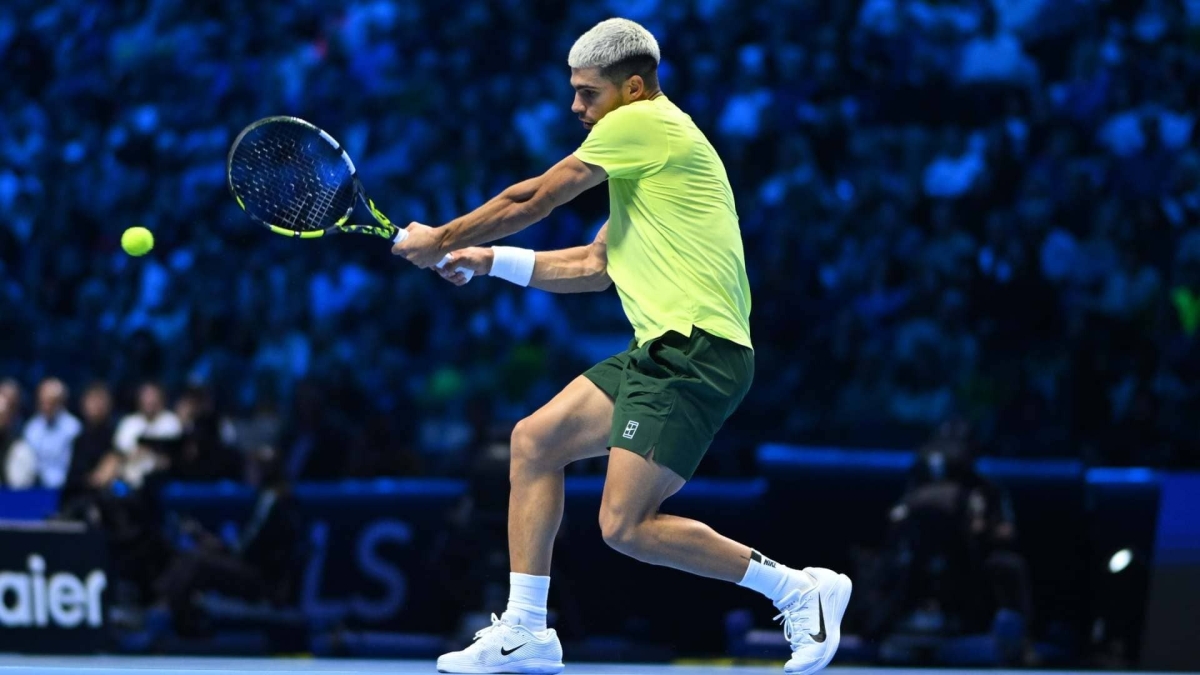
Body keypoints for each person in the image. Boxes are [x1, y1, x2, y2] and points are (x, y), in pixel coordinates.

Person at [393, 18, 851, 675]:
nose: (575, 107)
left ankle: (798, 591)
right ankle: (525, 630)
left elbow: (537, 195)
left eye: (588, 93)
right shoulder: (651, 158)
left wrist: (441, 237)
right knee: (535, 441)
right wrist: (487, 259)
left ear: (632, 88)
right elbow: (593, 265)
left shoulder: (644, 124)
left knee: (626, 525)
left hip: (695, 352)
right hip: (660, 351)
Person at [12, 378, 82, 489]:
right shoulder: (31, 428)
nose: (46, 406)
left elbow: (75, 465)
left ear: (62, 402)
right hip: (35, 487)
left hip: (67, 488)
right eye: (43, 402)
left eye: (52, 402)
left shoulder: (73, 428)